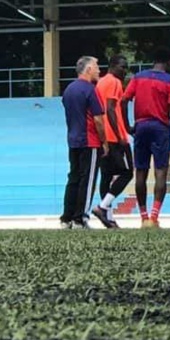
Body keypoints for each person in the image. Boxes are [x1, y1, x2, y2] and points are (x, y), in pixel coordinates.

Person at [121, 46, 170, 228]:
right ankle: (154, 217)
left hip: (141, 126)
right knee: (160, 172)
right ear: (169, 62)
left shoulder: (138, 77)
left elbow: (124, 100)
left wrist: (127, 126)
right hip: (160, 128)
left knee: (140, 172)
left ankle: (143, 217)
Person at [61, 56, 107, 228]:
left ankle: (67, 218)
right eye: (96, 67)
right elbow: (98, 120)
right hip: (90, 141)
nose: (99, 70)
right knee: (87, 180)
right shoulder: (90, 90)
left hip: (73, 140)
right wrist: (104, 142)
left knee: (73, 178)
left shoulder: (69, 89)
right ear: (88, 69)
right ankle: (80, 218)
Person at [92, 55, 133, 229]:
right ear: (113, 66)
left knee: (107, 176)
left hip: (103, 138)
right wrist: (120, 135)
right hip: (114, 137)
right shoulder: (114, 82)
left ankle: (108, 218)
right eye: (122, 67)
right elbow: (110, 109)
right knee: (127, 173)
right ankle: (102, 207)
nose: (125, 71)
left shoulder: (100, 83)